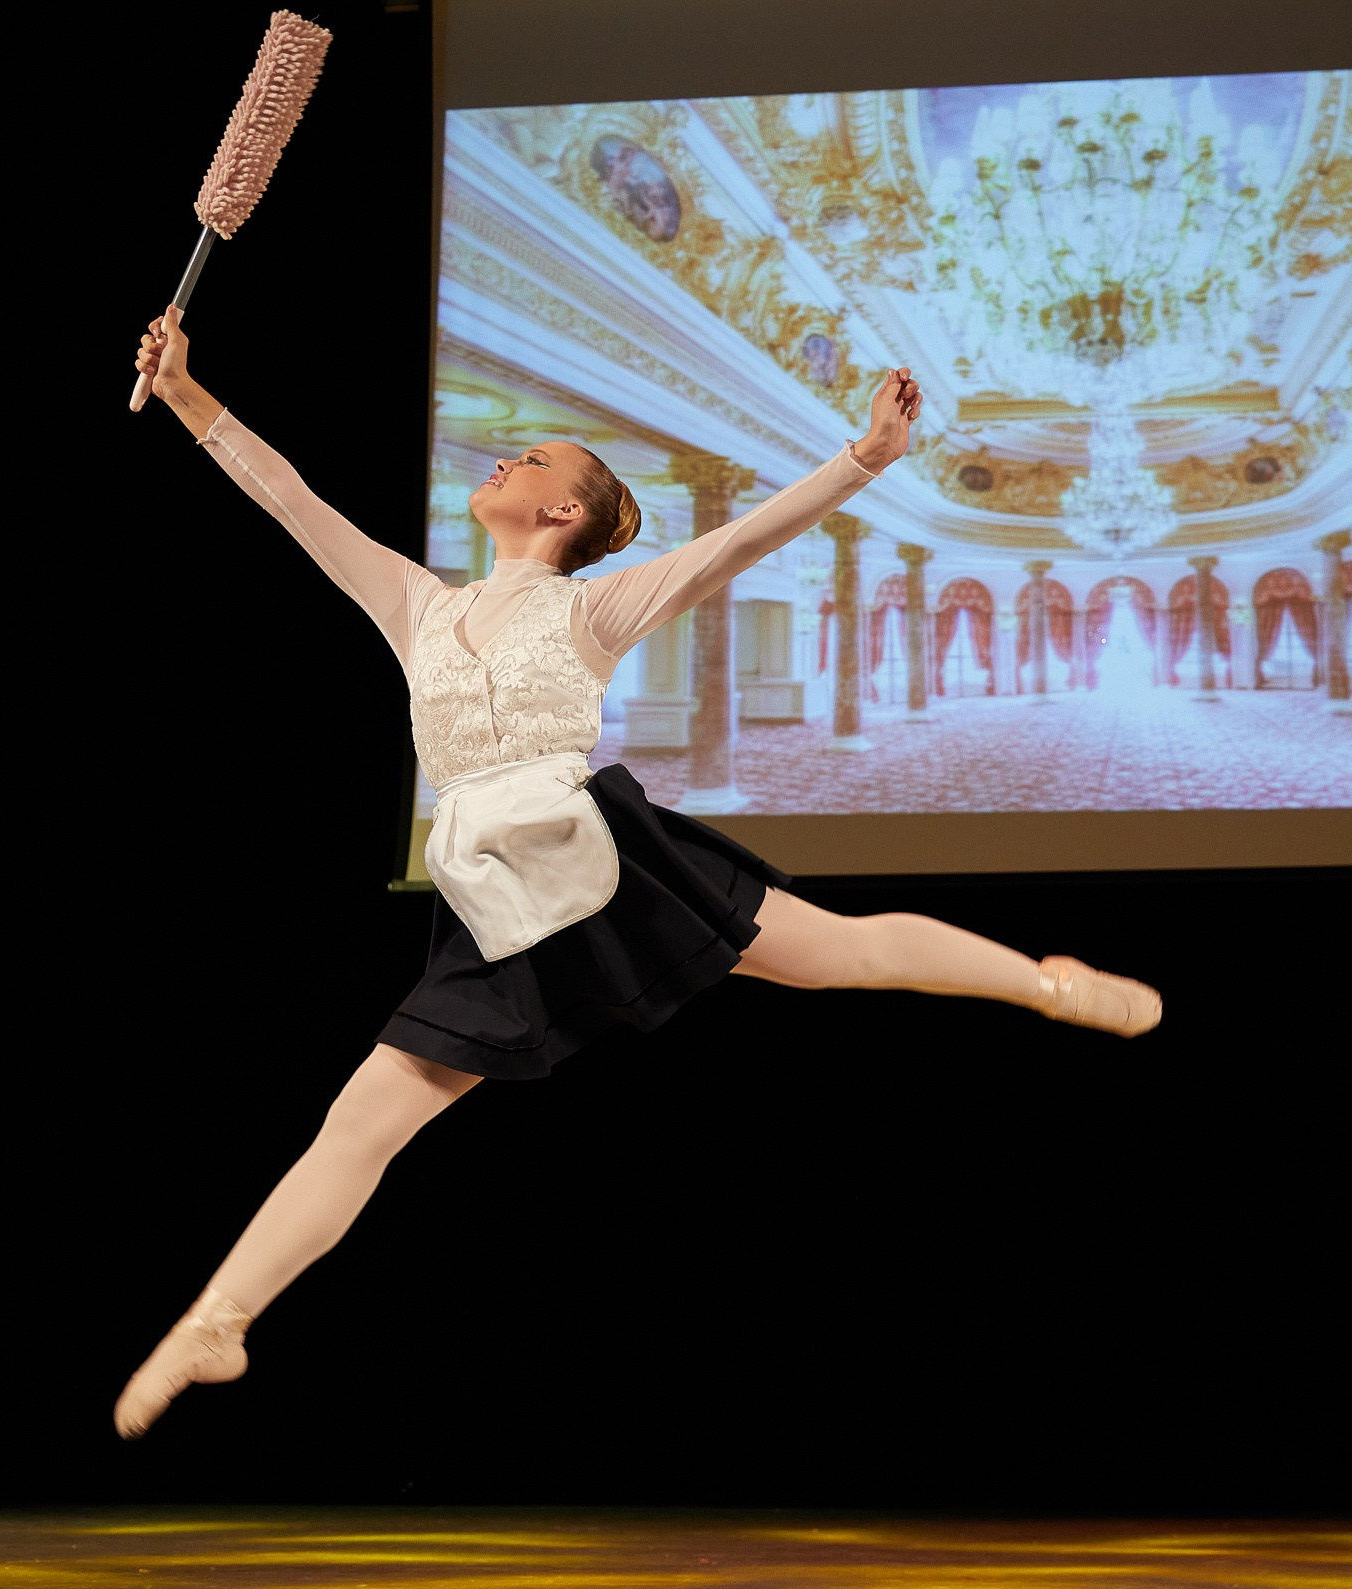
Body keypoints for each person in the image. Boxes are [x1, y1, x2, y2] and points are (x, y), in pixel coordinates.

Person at [112, 305, 1162, 1440]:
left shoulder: (590, 603)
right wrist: (184, 393)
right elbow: (294, 504)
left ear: (561, 511)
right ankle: (219, 1317)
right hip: (493, 897)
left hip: (596, 858)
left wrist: (864, 457)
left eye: (536, 459)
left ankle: (1044, 981)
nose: (508, 456)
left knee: (839, 953)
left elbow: (741, 540)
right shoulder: (419, 604)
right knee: (361, 1117)